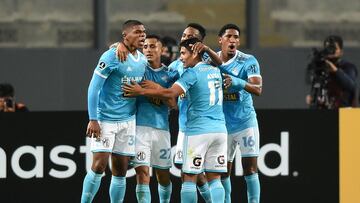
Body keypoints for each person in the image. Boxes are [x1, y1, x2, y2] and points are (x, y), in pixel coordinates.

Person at [123, 37, 227, 203]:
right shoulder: (214, 69)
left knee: (189, 177)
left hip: (197, 130)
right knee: (215, 178)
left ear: (194, 53)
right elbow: (220, 61)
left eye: (184, 53)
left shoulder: (190, 73)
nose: (181, 57)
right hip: (220, 130)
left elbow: (171, 95)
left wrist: (143, 91)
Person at [81, 20, 147, 203]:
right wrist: (93, 119)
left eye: (144, 32)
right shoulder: (111, 56)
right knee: (99, 165)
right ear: (125, 36)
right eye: (137, 32)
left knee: (121, 170)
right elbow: (93, 88)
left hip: (128, 120)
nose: (142, 35)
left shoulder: (142, 60)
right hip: (105, 120)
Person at [217, 24, 262, 203]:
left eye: (236, 37)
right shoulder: (211, 60)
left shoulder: (248, 61)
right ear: (220, 40)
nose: (233, 40)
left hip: (245, 122)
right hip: (222, 124)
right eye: (229, 36)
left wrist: (239, 82)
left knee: (250, 169)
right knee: (222, 171)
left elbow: (258, 89)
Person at [132, 34, 179, 203]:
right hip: (139, 129)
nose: (148, 50)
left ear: (161, 50)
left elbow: (173, 103)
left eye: (152, 46)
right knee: (143, 175)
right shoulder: (137, 70)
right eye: (145, 47)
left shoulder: (169, 75)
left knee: (163, 177)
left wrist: (156, 88)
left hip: (161, 130)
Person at [306, 35, 358, 109]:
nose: (331, 51)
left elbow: (351, 86)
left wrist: (335, 70)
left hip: (346, 113)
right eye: (328, 48)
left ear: (341, 52)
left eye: (334, 48)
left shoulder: (348, 67)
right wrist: (313, 98)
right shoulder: (322, 68)